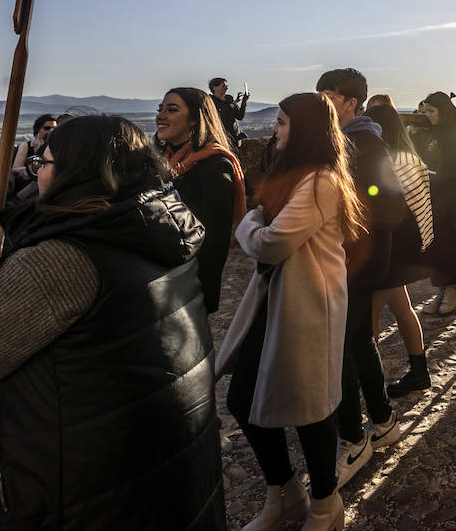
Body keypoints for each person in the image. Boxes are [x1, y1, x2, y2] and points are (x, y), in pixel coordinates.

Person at [0, 115, 225, 529]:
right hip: (164, 474)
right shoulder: (164, 228)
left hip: (88, 492)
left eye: (43, 164)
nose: (37, 175)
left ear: (75, 172)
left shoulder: (65, 259)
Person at [216, 93, 363, 531]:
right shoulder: (296, 175)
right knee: (244, 399)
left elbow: (271, 241)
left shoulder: (320, 180)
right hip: (277, 301)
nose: (274, 129)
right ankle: (284, 492)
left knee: (310, 407)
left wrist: (247, 223)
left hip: (307, 306)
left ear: (302, 129)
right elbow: (269, 227)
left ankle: (324, 504)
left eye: (281, 123)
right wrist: (259, 221)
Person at [315, 69, 410, 488]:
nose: (323, 104)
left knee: (341, 346)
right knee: (355, 341)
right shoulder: (348, 140)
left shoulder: (365, 143)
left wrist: (346, 223)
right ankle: (385, 421)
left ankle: (354, 440)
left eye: (329, 97)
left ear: (351, 103)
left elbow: (391, 207)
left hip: (361, 261)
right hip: (352, 259)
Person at [365, 101, 436, 399]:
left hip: (396, 247)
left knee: (365, 319)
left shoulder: (395, 161)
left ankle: (368, 383)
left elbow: (387, 207)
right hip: (406, 246)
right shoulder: (408, 156)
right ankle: (419, 373)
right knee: (402, 308)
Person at [155, 87, 246, 314]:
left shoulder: (214, 167)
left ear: (195, 119)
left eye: (172, 110)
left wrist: (197, 296)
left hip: (187, 289)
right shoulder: (161, 161)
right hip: (158, 279)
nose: (160, 116)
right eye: (160, 109)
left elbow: (214, 242)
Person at [415, 91, 456, 315]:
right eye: (425, 111)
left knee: (445, 236)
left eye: (431, 111)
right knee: (433, 239)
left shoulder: (453, 135)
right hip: (431, 188)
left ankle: (454, 286)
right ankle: (442, 288)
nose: (428, 115)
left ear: (442, 110)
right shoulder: (429, 133)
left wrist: (435, 174)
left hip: (447, 190)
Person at [12, 114, 57, 186]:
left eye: (54, 128)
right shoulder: (27, 146)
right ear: (38, 129)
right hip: (28, 181)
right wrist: (32, 169)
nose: (51, 131)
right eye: (47, 128)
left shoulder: (56, 146)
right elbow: (15, 168)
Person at [208, 77, 249, 151]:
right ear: (215, 88)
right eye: (223, 86)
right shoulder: (210, 101)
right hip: (221, 137)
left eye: (227, 86)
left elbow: (239, 116)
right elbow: (220, 116)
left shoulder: (229, 99)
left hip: (235, 136)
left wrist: (244, 102)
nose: (226, 88)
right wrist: (233, 104)